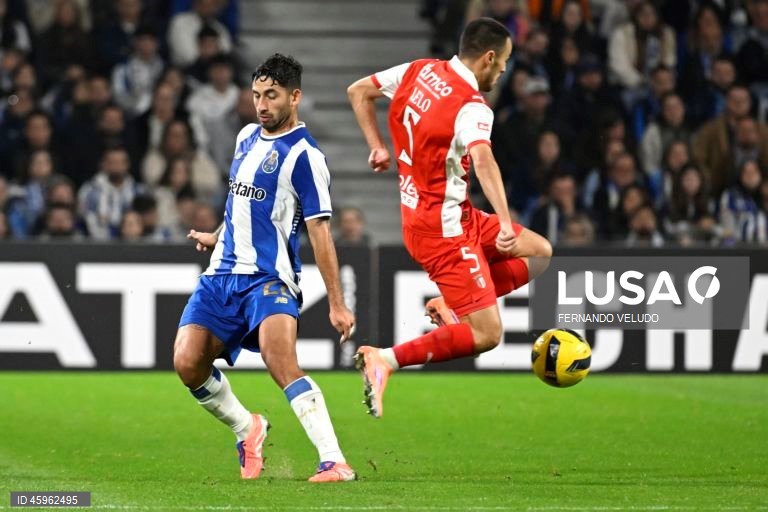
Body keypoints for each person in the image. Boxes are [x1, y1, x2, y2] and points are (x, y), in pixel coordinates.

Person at [347, 18, 552, 418]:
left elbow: (358, 91)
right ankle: (384, 359)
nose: (504, 70)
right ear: (489, 58)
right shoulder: (472, 106)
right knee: (487, 334)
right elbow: (483, 159)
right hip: (443, 232)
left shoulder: (419, 70)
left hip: (450, 215)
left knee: (539, 252)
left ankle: (453, 303)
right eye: (504, 62)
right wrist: (505, 221)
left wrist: (377, 147)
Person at [173, 54, 357, 483]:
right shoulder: (246, 137)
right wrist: (218, 235)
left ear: (295, 97)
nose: (261, 104)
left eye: (271, 95)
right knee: (187, 363)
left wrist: (336, 302)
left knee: (280, 360)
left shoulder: (306, 157)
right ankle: (247, 428)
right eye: (256, 95)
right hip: (221, 275)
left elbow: (320, 233)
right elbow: (241, 203)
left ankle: (334, 460)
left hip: (268, 279)